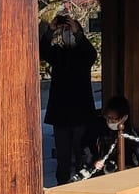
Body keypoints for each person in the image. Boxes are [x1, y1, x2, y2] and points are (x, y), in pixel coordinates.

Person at [40, 12, 99, 184]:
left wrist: (77, 32)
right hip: (61, 113)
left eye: (69, 31)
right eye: (65, 31)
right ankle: (62, 187)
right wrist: (51, 29)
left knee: (83, 153)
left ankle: (83, 188)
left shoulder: (83, 55)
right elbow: (43, 51)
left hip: (81, 111)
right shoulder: (57, 53)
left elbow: (91, 53)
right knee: (63, 156)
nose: (67, 33)